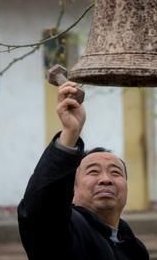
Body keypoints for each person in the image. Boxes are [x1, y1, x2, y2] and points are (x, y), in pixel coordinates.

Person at [18, 81, 149, 260]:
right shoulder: (66, 230)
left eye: (116, 172)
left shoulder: (134, 248)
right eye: (93, 172)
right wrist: (70, 133)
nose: (106, 179)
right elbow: (40, 211)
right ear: (72, 190)